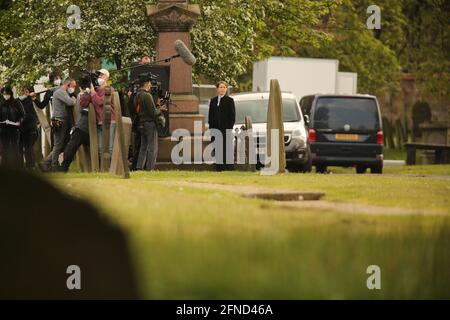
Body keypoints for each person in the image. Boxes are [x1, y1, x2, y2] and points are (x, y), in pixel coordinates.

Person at [39, 78, 77, 172]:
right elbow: (71, 102)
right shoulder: (60, 92)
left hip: (62, 121)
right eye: (73, 86)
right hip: (59, 121)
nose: (74, 89)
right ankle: (54, 166)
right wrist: (74, 98)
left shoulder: (62, 92)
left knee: (61, 146)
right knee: (58, 145)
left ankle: (46, 163)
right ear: (68, 84)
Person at [133, 74, 165, 171]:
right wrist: (160, 109)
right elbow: (153, 112)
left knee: (143, 146)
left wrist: (157, 107)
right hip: (150, 124)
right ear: (146, 83)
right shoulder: (147, 95)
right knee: (152, 147)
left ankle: (139, 167)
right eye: (150, 83)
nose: (151, 85)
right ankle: (150, 168)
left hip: (141, 123)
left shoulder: (137, 95)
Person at [59, 88, 91, 172]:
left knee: (72, 145)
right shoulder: (82, 95)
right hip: (83, 126)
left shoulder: (92, 93)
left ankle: (64, 167)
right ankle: (64, 167)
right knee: (71, 146)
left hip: (85, 127)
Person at [208, 81, 236, 171]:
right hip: (215, 129)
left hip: (225, 129)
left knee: (226, 149)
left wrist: (229, 128)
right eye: (221, 87)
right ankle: (219, 168)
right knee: (217, 148)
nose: (222, 89)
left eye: (224, 87)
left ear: (226, 89)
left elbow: (232, 116)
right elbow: (210, 115)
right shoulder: (213, 100)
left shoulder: (230, 101)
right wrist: (211, 128)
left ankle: (227, 168)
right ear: (217, 89)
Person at [89, 69, 116, 159]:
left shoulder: (109, 89)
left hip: (110, 120)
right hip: (99, 121)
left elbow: (100, 101)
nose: (100, 76)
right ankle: (103, 169)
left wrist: (92, 92)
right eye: (99, 75)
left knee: (110, 147)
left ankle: (111, 168)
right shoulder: (96, 90)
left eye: (102, 75)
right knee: (100, 147)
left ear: (107, 78)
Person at [0, 86, 25, 168]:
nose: (5, 96)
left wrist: (18, 122)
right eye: (4, 94)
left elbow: (22, 115)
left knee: (15, 148)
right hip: (3, 129)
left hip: (15, 129)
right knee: (5, 149)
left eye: (7, 94)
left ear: (10, 94)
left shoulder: (16, 103)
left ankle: (17, 167)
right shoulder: (1, 104)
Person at [18, 87, 39, 169]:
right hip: (26, 128)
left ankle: (29, 166)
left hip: (27, 128)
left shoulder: (25, 101)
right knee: (27, 148)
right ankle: (29, 166)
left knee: (27, 148)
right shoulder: (24, 101)